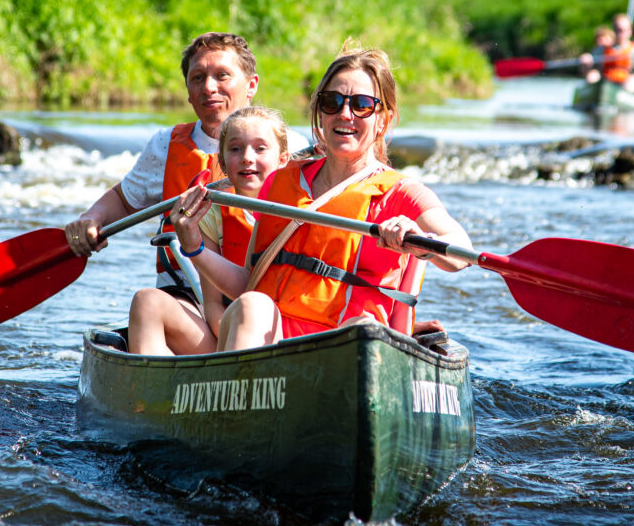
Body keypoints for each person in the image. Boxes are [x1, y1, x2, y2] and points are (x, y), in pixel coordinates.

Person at [177, 46, 473, 352]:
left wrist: (419, 238)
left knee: (362, 329)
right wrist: (194, 247)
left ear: (383, 121)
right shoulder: (279, 181)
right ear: (320, 112)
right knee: (252, 304)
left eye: (361, 105)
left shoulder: (402, 193)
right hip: (271, 342)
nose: (345, 114)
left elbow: (461, 253)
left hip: (346, 348)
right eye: (332, 102)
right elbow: (246, 281)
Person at [64, 32, 306, 304]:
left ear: (251, 85)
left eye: (222, 76)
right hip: (183, 294)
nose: (208, 87)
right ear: (188, 92)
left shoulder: (293, 148)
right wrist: (92, 217)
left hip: (260, 291)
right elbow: (124, 199)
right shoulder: (164, 145)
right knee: (147, 303)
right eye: (198, 78)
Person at [127, 106, 290, 355]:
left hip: (279, 332)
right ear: (222, 162)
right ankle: (160, 382)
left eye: (260, 148)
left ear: (283, 160)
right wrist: (237, 335)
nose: (247, 157)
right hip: (224, 332)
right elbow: (213, 305)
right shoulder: (212, 214)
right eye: (235, 149)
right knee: (146, 301)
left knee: (251, 309)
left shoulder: (299, 210)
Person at [579, 13, 634, 93]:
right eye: (617, 30)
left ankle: (625, 97)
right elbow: (591, 61)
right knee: (592, 76)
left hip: (625, 82)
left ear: (630, 31)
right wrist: (586, 59)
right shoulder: (604, 48)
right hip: (606, 81)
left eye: (623, 30)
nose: (620, 33)